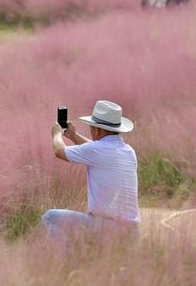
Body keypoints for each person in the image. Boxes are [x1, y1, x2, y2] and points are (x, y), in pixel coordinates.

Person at [44, 100, 140, 238]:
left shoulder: (96, 150)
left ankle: (64, 258)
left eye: (91, 127)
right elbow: (96, 149)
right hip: (132, 233)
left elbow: (59, 151)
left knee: (50, 217)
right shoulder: (128, 151)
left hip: (106, 230)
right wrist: (73, 136)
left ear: (98, 130)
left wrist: (57, 134)